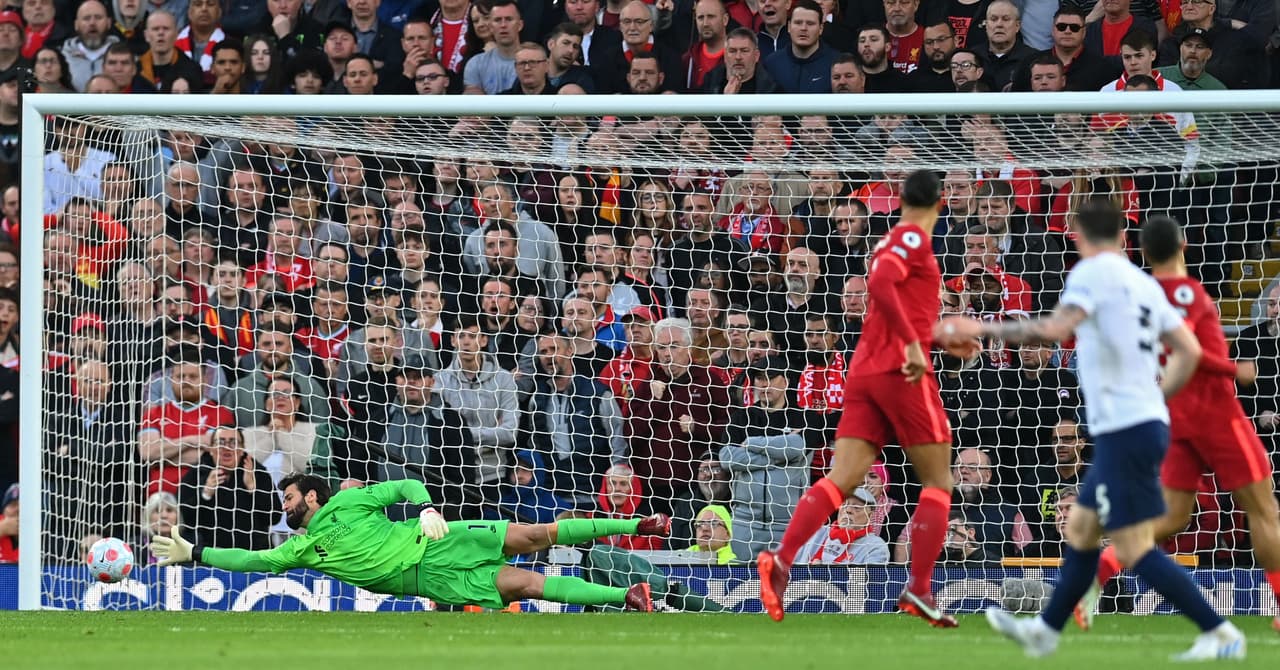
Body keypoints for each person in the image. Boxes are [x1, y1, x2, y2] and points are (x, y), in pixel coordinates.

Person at [938, 199, 1247, 659]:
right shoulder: (1143, 284)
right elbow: (1189, 351)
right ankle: (1045, 631)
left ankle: (1220, 631)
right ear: (1123, 236)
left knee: (1133, 546)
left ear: (1079, 234)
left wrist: (980, 326)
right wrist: (1158, 399)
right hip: (1140, 425)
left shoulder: (1091, 273)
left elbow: (1055, 328)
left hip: (1125, 429)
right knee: (1082, 528)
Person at [758, 170, 958, 627]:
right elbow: (883, 282)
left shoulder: (890, 240)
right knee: (939, 482)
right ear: (939, 201)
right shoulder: (910, 238)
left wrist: (938, 336)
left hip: (864, 370)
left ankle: (783, 560)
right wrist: (913, 343)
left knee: (842, 478)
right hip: (898, 372)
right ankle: (919, 589)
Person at [1072, 216, 1280, 633]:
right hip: (1215, 412)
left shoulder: (1136, 299)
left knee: (1173, 517)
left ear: (1143, 253)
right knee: (1264, 506)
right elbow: (1191, 349)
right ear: (1184, 245)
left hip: (1172, 419)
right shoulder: (1189, 293)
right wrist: (1232, 368)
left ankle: (1102, 568)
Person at [152, 475, 670, 611]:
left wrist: (424, 509)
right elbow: (250, 560)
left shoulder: (351, 501)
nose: (284, 508)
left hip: (444, 540)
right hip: (432, 579)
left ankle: (635, 524)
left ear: (311, 496)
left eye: (288, 499)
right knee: (531, 585)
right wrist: (195, 552)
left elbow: (403, 486)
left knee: (536, 534)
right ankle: (625, 597)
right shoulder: (301, 549)